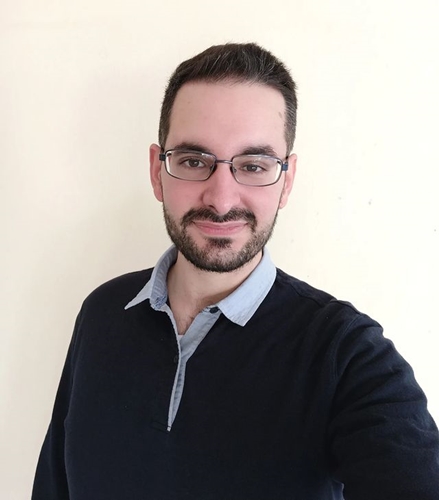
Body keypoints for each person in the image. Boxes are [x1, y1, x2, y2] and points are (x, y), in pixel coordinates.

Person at [32, 43, 439, 500]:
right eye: (193, 161)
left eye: (253, 165)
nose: (221, 200)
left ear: (286, 181)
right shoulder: (101, 312)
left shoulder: (348, 355)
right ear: (157, 171)